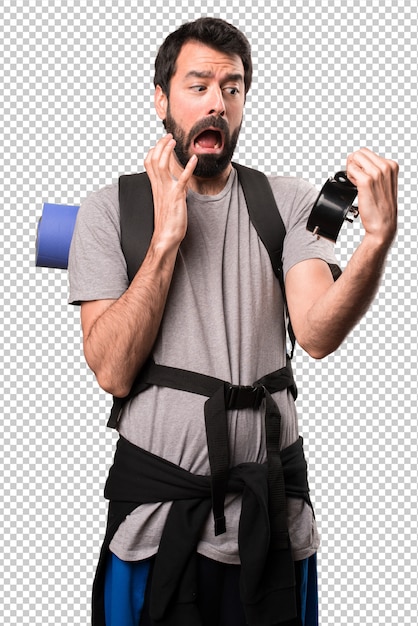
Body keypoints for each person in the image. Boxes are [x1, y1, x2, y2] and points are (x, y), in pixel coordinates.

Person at [68, 17, 398, 626]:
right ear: (161, 98)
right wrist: (165, 240)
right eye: (198, 86)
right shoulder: (109, 210)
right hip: (155, 524)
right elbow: (112, 370)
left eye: (233, 87)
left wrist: (374, 244)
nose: (217, 103)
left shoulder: (290, 202)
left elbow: (318, 332)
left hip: (270, 520)